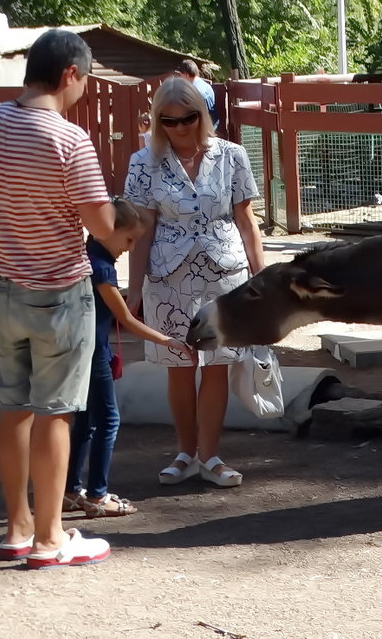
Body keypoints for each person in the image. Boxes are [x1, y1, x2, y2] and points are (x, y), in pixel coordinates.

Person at [0, 29, 116, 569]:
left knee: (14, 411)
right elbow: (101, 225)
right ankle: (52, 538)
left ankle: (17, 527)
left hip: (4, 289)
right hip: (59, 293)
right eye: (87, 78)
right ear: (70, 75)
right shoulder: (70, 141)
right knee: (55, 415)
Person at [125, 76, 264, 488]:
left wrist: (264, 282)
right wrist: (134, 288)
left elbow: (247, 222)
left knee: (218, 365)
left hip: (224, 274)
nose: (180, 127)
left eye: (188, 118)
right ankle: (185, 452)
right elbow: (142, 229)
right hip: (168, 274)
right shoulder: (142, 161)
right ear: (157, 120)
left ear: (202, 115)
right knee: (179, 365)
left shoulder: (232, 156)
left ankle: (211, 456)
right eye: (168, 120)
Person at [63, 197, 196, 517]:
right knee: (108, 420)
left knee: (84, 421)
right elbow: (126, 317)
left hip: (77, 349)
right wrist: (170, 341)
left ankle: (70, 491)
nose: (132, 247)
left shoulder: (84, 257)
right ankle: (97, 495)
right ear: (108, 230)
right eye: (129, 239)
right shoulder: (102, 268)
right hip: (92, 353)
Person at [173, 59, 219, 133]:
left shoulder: (192, 91)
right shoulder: (207, 86)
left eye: (181, 75)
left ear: (186, 75)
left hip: (201, 130)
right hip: (212, 126)